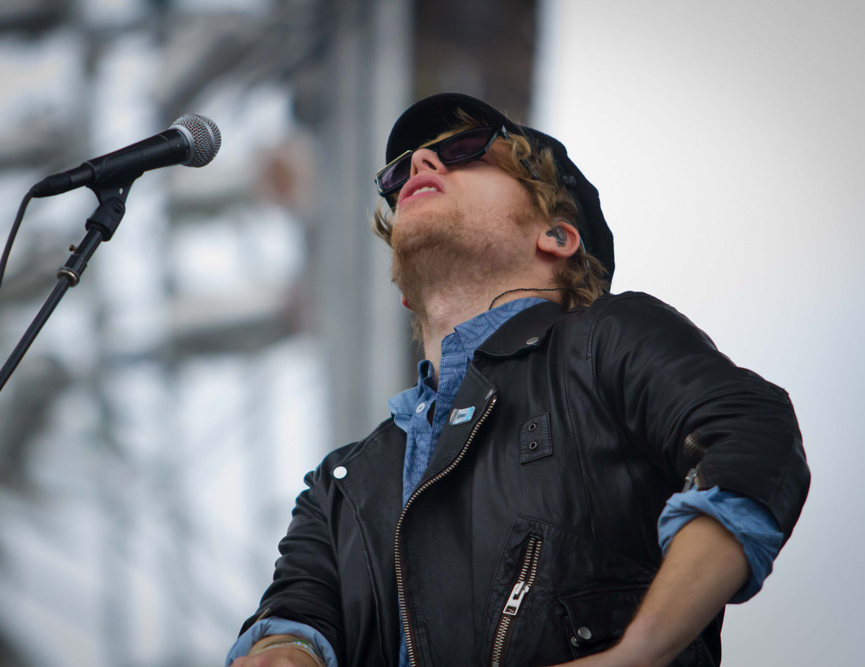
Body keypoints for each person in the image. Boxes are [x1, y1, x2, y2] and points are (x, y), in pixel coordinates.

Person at [225, 93, 809, 667]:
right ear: (404, 289)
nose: (420, 165)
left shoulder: (605, 339)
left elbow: (749, 436)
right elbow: (293, 620)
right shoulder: (340, 484)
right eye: (400, 172)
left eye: (463, 151)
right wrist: (283, 651)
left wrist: (638, 652)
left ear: (557, 236)